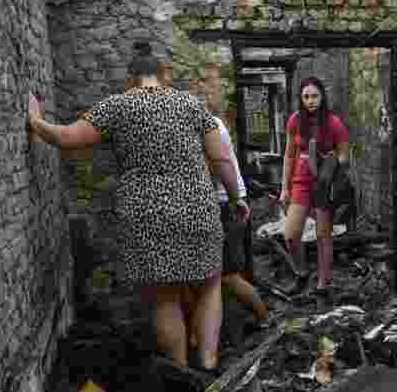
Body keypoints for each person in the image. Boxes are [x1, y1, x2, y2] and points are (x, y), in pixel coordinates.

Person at [27, 44, 249, 372]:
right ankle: (209, 361)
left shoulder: (117, 105)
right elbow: (220, 159)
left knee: (165, 296)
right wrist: (236, 198)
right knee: (209, 284)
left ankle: (181, 369)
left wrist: (35, 120)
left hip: (145, 213)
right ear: (164, 75)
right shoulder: (191, 104)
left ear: (130, 79)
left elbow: (66, 138)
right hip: (197, 206)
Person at [190, 63, 271, 325]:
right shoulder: (213, 123)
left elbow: (215, 166)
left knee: (227, 273)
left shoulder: (208, 126)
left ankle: (264, 317)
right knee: (219, 273)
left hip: (223, 204)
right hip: (225, 202)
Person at [280, 77, 351, 309]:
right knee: (291, 234)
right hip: (301, 181)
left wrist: (328, 164)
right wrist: (284, 188)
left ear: (322, 97)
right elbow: (289, 155)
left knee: (323, 235)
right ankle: (301, 272)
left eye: (315, 96)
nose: (311, 101)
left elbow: (344, 156)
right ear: (301, 99)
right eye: (306, 97)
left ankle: (323, 284)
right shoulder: (295, 121)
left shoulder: (333, 123)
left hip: (324, 183)